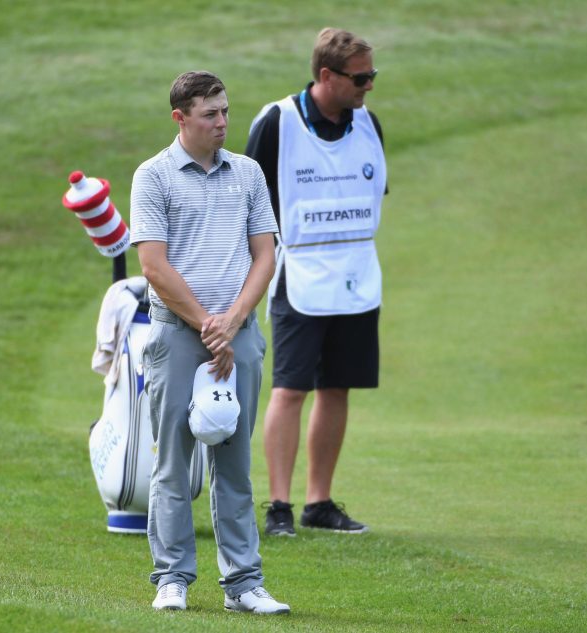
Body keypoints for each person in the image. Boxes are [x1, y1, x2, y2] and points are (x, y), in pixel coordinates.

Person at [131, 70, 289, 614]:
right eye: (210, 114)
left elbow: (265, 254)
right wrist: (207, 323)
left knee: (234, 464)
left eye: (225, 111)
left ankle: (245, 585)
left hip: (238, 336)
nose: (223, 122)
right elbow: (153, 264)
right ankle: (172, 578)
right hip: (178, 337)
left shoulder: (246, 173)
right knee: (174, 464)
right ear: (181, 118)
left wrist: (234, 320)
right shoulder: (153, 176)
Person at [245, 28, 387, 537]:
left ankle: (318, 502)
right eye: (360, 77)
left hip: (355, 275)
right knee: (290, 388)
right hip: (298, 273)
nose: (368, 86)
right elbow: (248, 202)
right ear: (326, 76)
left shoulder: (368, 124)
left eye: (372, 75)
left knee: (337, 386)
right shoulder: (277, 122)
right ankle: (279, 505)